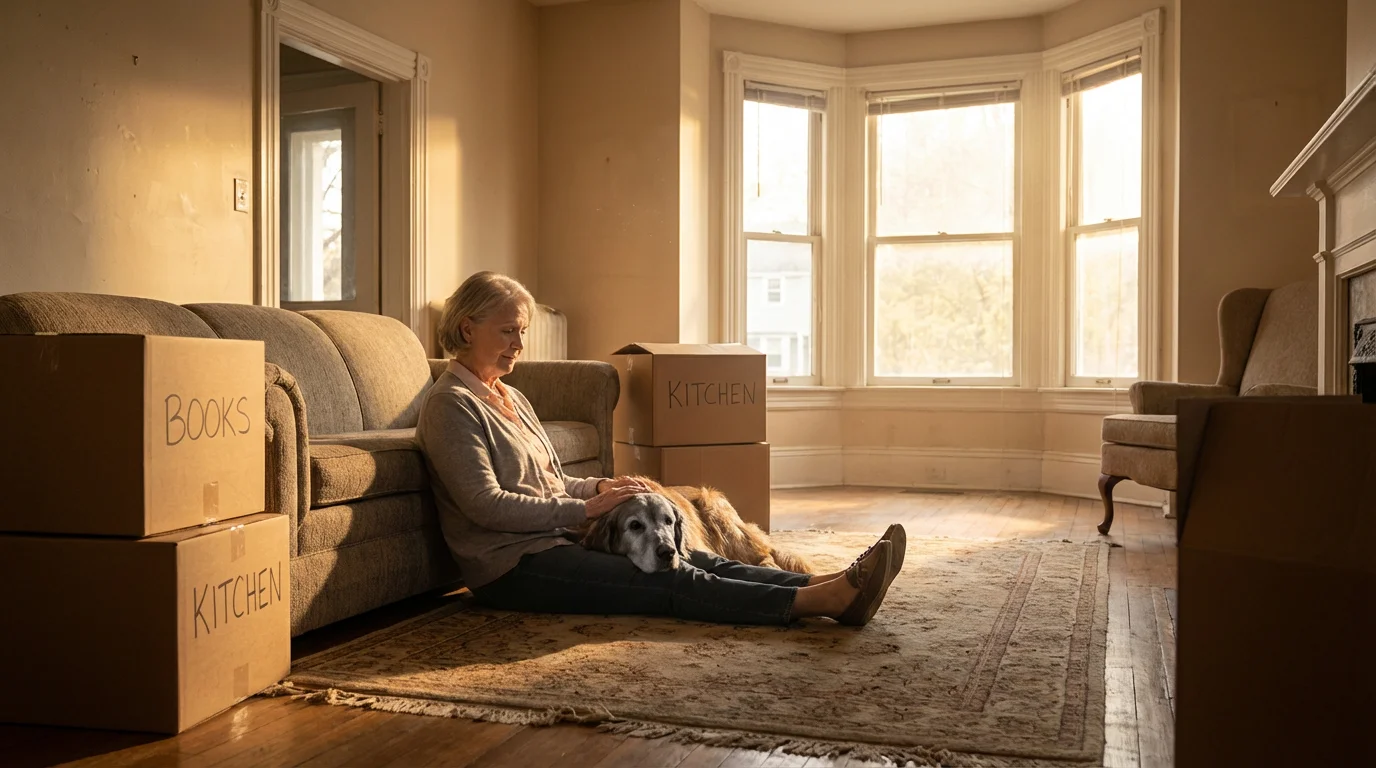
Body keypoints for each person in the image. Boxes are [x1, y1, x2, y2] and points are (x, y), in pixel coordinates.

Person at [416, 271, 907, 626]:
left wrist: (603, 486)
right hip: (511, 567)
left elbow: (551, 481)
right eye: (508, 330)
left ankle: (824, 583)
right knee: (664, 580)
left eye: (523, 330)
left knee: (692, 555)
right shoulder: (451, 407)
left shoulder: (511, 396)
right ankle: (821, 605)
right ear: (466, 329)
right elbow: (486, 505)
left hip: (555, 543)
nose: (520, 343)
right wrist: (584, 508)